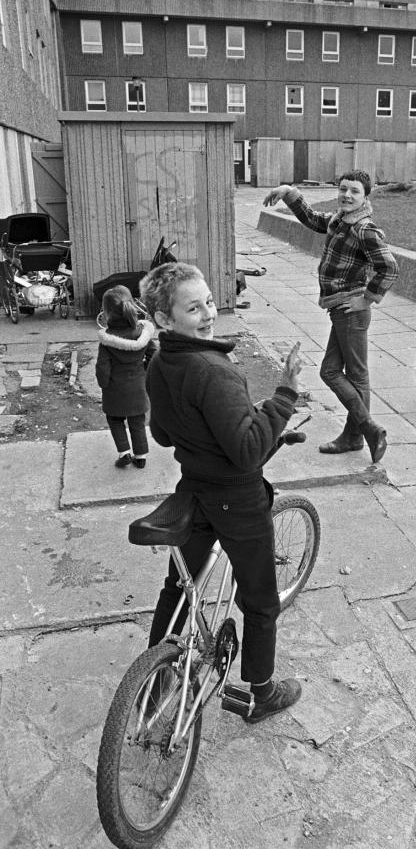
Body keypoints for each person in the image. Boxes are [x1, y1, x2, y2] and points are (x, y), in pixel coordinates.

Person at [139, 261, 303, 724]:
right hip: (238, 499)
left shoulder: (160, 363)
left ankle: (155, 682)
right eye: (194, 308)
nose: (209, 313)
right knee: (260, 601)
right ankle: (263, 693)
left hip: (194, 491)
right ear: (166, 319)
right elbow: (249, 451)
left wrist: (218, 425)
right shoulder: (213, 369)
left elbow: (166, 436)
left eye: (209, 300)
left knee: (178, 587)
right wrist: (284, 396)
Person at [263, 171, 399, 463]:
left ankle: (362, 432)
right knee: (341, 372)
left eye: (355, 192)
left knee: (343, 373)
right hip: (339, 307)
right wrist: (289, 191)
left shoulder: (364, 229)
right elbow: (312, 218)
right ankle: (359, 435)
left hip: (351, 310)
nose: (346, 195)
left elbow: (390, 267)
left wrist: (367, 299)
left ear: (366, 197)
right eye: (343, 189)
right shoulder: (340, 220)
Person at [95, 285, 156, 468]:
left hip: (115, 390)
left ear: (106, 313)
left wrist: (103, 384)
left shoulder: (107, 340)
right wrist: (144, 370)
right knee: (137, 422)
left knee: (115, 420)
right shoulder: (141, 334)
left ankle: (124, 453)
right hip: (138, 387)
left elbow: (102, 368)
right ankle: (141, 456)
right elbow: (154, 354)